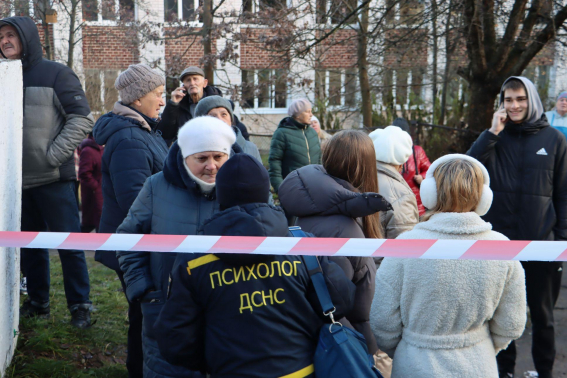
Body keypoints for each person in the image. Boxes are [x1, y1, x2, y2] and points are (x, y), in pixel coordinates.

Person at [154, 153, 356, 377]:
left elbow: (175, 340)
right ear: (265, 193)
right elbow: (342, 300)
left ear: (221, 195)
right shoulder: (302, 246)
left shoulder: (194, 259)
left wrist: (215, 359)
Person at [370, 155, 527, 378]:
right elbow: (512, 324)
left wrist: (408, 349)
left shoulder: (406, 245)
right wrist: (479, 347)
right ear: (484, 197)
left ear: (430, 193)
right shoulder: (501, 248)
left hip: (415, 366)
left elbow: (382, 320)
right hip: (479, 365)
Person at [117, 116, 241, 378]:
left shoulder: (245, 188)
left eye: (219, 157)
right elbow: (128, 238)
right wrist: (145, 291)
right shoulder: (156, 186)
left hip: (229, 314)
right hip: (165, 312)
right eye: (202, 158)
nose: (212, 166)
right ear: (185, 157)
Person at [468, 76, 567, 378]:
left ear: (532, 100)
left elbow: (565, 193)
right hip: (498, 246)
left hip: (542, 245)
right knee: (501, 317)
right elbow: (468, 170)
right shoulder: (494, 136)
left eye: (520, 99)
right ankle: (505, 372)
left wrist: (562, 240)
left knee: (543, 317)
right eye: (508, 99)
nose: (514, 105)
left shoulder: (554, 139)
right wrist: (491, 132)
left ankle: (545, 372)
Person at [1, 16, 95, 327]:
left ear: (26, 37)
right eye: (1, 37)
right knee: (29, 247)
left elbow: (81, 118)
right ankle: (38, 301)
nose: (5, 41)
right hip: (16, 181)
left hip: (54, 178)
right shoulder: (2, 78)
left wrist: (53, 155)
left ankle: (80, 306)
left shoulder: (56, 73)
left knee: (68, 244)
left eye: (11, 35)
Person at [277, 130, 392, 360]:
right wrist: (366, 354)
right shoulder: (343, 229)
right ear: (365, 168)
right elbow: (337, 306)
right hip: (344, 348)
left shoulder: (312, 207)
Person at [92, 63, 169, 378]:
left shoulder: (143, 129)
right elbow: (135, 202)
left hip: (143, 242)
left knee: (145, 312)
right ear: (138, 99)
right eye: (158, 94)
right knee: (145, 313)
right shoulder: (130, 138)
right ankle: (139, 369)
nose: (163, 100)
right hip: (138, 246)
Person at [157, 66, 249, 144]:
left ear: (205, 83)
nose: (192, 83)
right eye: (188, 80)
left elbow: (238, 131)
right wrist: (173, 104)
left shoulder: (220, 104)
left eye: (195, 79)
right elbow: (165, 133)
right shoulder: (179, 107)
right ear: (183, 86)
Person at [369, 126, 419, 239]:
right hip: (382, 257)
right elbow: (404, 249)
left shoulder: (355, 178)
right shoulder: (401, 196)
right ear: (401, 164)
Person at [268, 99, 321, 194]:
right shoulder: (282, 133)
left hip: (315, 187)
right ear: (298, 114)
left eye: (311, 111)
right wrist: (281, 189)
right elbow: (274, 162)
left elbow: (319, 159)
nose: (311, 115)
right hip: (292, 189)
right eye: (307, 112)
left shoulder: (313, 133)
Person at [194, 95, 261, 161]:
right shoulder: (193, 151)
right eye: (212, 116)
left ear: (231, 119)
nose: (220, 120)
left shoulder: (251, 148)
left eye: (224, 114)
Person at [392, 118, 431, 216]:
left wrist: (422, 177)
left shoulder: (417, 151)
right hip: (395, 205)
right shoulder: (389, 153)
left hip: (417, 206)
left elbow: (430, 170)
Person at [78, 134, 103, 233]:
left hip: (102, 193)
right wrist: (96, 187)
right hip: (94, 195)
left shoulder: (103, 148)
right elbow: (84, 173)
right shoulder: (88, 150)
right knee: (93, 223)